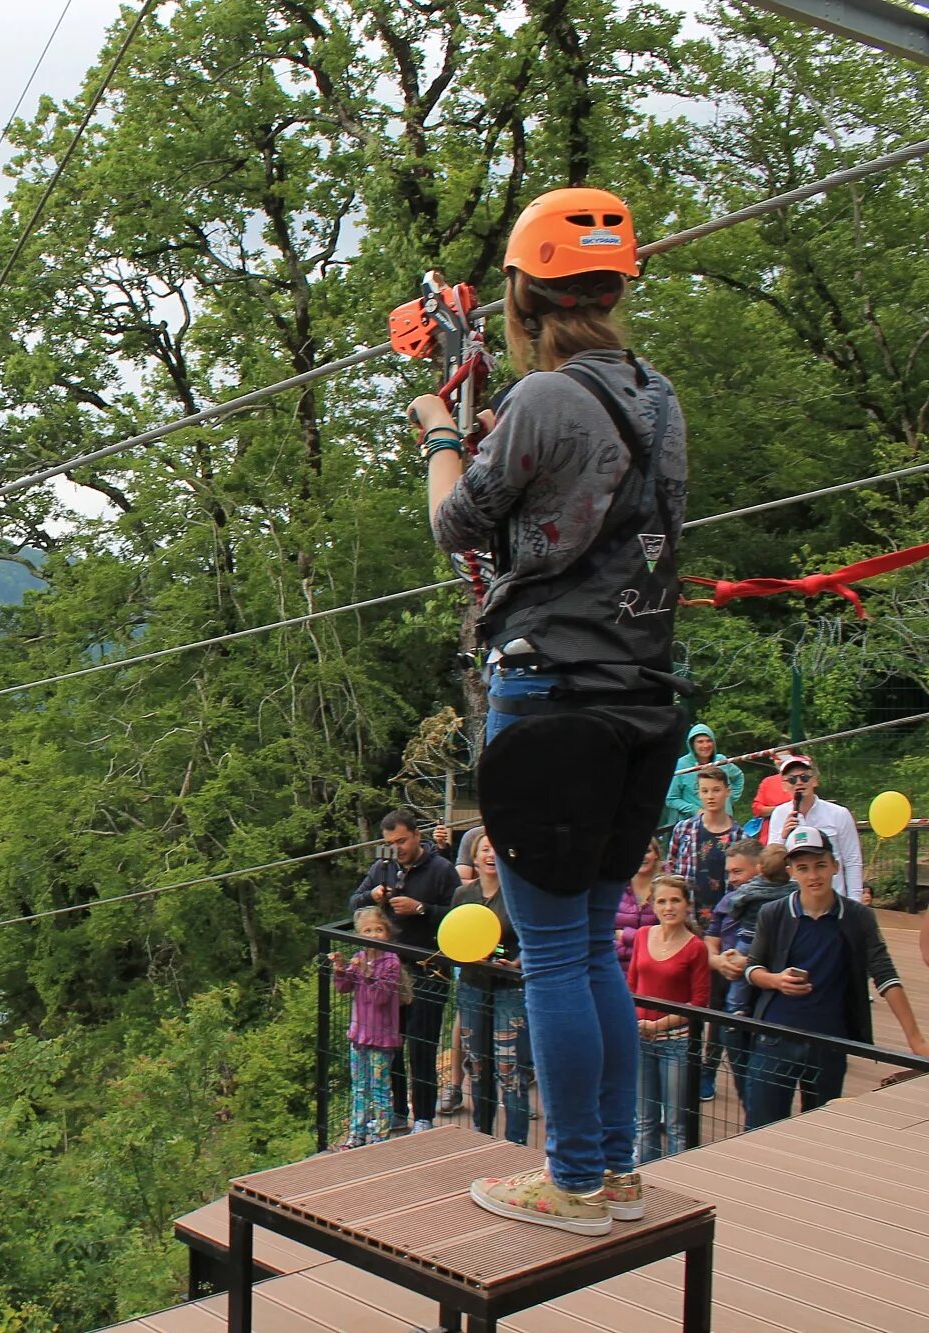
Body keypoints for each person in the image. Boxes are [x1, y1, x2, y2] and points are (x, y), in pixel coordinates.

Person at [417, 186, 689, 1235]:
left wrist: (439, 428)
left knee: (555, 954)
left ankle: (574, 1177)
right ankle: (610, 1169)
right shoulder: (656, 398)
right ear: (616, 288)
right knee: (586, 944)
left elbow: (457, 521)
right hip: (636, 694)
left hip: (547, 696)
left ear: (525, 296)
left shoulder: (542, 401)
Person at [736, 826, 929, 1126]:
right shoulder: (773, 914)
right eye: (803, 868)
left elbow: (885, 974)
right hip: (776, 1038)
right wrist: (776, 980)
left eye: (820, 866)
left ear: (835, 866)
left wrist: (915, 1040)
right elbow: (752, 968)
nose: (813, 875)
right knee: (761, 1126)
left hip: (829, 1042)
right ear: (791, 871)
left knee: (822, 1128)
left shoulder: (857, 917)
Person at [348, 812, 461, 1132]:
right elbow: (354, 902)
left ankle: (423, 1116)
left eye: (401, 841)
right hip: (389, 971)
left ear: (416, 836)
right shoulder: (382, 868)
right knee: (390, 1044)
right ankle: (397, 1110)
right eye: (389, 843)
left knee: (422, 1045)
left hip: (428, 969)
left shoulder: (441, 870)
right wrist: (373, 896)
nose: (396, 848)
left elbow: (459, 916)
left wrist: (421, 909)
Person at [664, 765, 739, 1100]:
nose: (710, 796)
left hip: (723, 932)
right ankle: (685, 1065)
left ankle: (708, 1069)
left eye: (715, 790)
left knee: (719, 1005)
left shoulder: (739, 837)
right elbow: (671, 875)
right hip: (689, 928)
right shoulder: (684, 830)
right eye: (704, 791)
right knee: (688, 999)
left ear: (727, 792)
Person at [453, 835, 532, 1143]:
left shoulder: (518, 896)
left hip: (509, 990)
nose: (490, 855)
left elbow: (532, 939)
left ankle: (516, 1143)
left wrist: (513, 964)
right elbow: (453, 938)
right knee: (477, 1065)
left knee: (510, 1070)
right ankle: (481, 1135)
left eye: (496, 849)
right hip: (472, 985)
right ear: (474, 857)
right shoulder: (463, 894)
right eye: (485, 849)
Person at [627, 875, 709, 1163]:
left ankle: (677, 1177)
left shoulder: (696, 947)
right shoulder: (642, 935)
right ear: (653, 904)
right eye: (662, 901)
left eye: (675, 900)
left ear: (687, 904)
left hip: (675, 1041)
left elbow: (699, 1002)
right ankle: (645, 1174)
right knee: (644, 1117)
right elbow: (632, 985)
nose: (669, 907)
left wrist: (658, 1025)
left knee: (675, 1121)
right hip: (640, 1036)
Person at [706, 839, 791, 1113]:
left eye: (738, 872)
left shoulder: (785, 901)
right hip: (731, 1002)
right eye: (729, 872)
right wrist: (718, 961)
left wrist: (747, 965)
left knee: (767, 1082)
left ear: (760, 868)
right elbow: (710, 938)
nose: (732, 879)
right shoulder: (727, 900)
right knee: (743, 1076)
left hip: (767, 1001)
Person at [331, 906, 409, 1147]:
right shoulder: (360, 956)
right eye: (367, 930)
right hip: (359, 1035)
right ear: (358, 934)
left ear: (387, 932)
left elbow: (380, 998)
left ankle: (380, 1137)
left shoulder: (391, 962)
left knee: (380, 1090)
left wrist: (366, 973)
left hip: (382, 1038)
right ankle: (357, 1134)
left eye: (378, 929)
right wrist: (341, 969)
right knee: (359, 1088)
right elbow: (344, 988)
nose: (373, 935)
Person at [763, 754, 864, 902]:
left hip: (834, 899)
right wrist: (783, 836)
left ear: (814, 781)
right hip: (793, 900)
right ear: (784, 786)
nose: (799, 783)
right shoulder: (779, 814)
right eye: (792, 779)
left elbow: (852, 860)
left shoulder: (839, 814)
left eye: (804, 777)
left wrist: (855, 901)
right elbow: (771, 864)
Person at [661, 723, 746, 829]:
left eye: (709, 740)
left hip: (724, 823)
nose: (705, 745)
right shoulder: (681, 765)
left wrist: (729, 799)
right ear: (692, 744)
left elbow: (738, 777)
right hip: (694, 827)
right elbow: (671, 799)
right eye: (700, 742)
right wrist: (695, 810)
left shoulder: (721, 761)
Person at [614, 840, 662, 970]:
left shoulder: (667, 887)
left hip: (654, 968)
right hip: (616, 968)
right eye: (635, 851)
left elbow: (670, 936)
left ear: (656, 854)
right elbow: (603, 933)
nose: (641, 856)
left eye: (647, 851)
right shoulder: (614, 887)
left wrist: (625, 935)